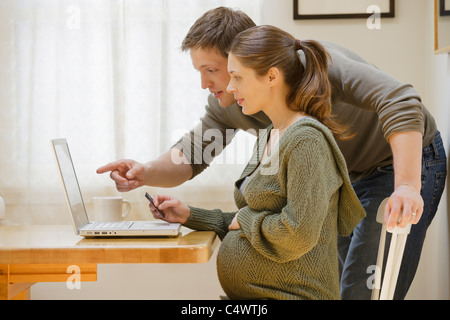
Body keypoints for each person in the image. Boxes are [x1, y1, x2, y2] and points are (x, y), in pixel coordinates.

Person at [97, 7, 447, 299]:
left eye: (212, 71)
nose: (205, 83)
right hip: (342, 178)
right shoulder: (233, 102)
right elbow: (191, 153)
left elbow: (401, 100)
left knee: (363, 291)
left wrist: (406, 186)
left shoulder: (320, 68)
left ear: (249, 58)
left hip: (394, 163)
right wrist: (143, 171)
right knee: (339, 288)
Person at [148, 25, 366, 299]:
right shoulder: (269, 134)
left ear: (271, 76)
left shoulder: (306, 142)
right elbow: (248, 221)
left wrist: (248, 218)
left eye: (237, 77)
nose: (229, 86)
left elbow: (296, 233)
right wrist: (190, 215)